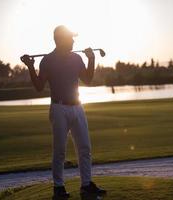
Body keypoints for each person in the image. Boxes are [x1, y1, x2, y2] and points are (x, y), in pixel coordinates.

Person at [20, 25, 106, 199]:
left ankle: (86, 185)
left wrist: (91, 59)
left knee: (85, 148)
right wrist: (30, 66)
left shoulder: (76, 58)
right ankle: (58, 188)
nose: (74, 41)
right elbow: (38, 87)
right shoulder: (47, 61)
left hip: (78, 107)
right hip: (59, 108)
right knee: (59, 150)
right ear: (60, 40)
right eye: (70, 38)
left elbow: (88, 80)